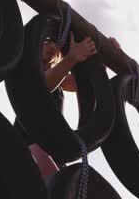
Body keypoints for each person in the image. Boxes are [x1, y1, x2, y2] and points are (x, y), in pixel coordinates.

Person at [25, 32, 120, 179]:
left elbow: (85, 83)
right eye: (47, 41)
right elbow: (40, 87)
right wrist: (71, 58)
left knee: (64, 184)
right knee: (51, 182)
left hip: (53, 146)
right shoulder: (27, 71)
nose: (51, 46)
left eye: (55, 44)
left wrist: (102, 57)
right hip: (29, 142)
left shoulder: (60, 79)